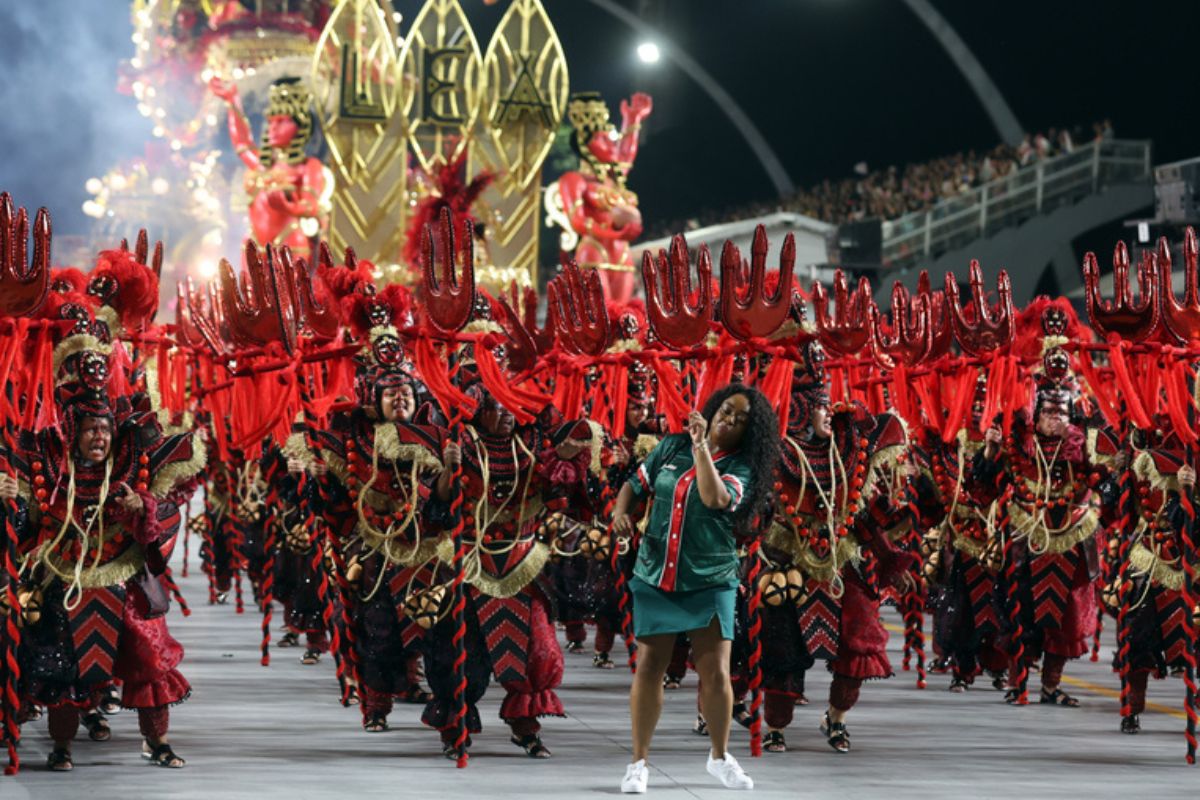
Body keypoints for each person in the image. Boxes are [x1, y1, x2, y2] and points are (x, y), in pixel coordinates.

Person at [611, 384, 780, 793]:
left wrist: (702, 447)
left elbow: (712, 496)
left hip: (710, 579)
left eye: (741, 420)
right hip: (656, 575)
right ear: (712, 408)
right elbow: (636, 483)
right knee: (649, 668)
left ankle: (719, 757)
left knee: (716, 674)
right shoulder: (670, 447)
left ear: (749, 433)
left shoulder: (743, 469)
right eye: (726, 410)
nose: (729, 420)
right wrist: (620, 513)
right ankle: (638, 764)